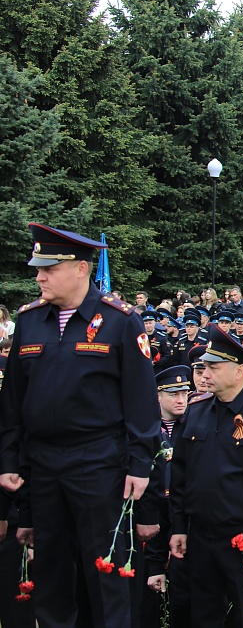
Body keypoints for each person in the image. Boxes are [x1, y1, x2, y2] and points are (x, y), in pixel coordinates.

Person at [0, 224, 160, 628]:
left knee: (105, 573)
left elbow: (141, 400)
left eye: (49, 269)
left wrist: (140, 463)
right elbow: (13, 403)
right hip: (43, 463)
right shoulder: (30, 321)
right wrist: (9, 461)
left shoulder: (120, 321)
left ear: (81, 269)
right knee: (51, 572)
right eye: (39, 269)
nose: (39, 277)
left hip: (99, 460)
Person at [167, 325, 243, 627]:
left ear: (239, 371)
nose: (204, 374)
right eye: (203, 367)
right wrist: (179, 527)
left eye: (213, 367)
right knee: (203, 616)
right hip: (199, 534)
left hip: (241, 537)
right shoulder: (195, 410)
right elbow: (180, 475)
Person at [143, 365, 194, 627]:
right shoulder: (147, 429)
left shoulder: (192, 427)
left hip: (182, 511)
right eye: (174, 394)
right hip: (154, 510)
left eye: (184, 393)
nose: (181, 400)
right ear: (158, 396)